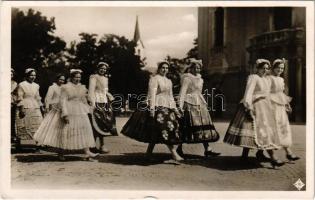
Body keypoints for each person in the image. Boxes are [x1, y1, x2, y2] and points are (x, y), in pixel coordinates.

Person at [223, 59, 284, 168]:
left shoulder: (266, 79)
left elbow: (268, 94)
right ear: (258, 68)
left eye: (267, 68)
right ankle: (268, 158)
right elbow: (249, 92)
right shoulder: (253, 78)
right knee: (253, 132)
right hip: (254, 106)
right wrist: (248, 108)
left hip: (265, 107)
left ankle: (258, 154)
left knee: (263, 132)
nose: (265, 70)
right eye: (262, 68)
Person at [121, 61, 184, 162]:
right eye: (163, 68)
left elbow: (170, 96)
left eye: (166, 68)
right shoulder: (154, 79)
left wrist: (175, 109)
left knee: (157, 131)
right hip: (157, 107)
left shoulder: (169, 81)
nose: (165, 70)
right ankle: (174, 154)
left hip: (167, 107)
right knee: (164, 129)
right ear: (159, 68)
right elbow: (152, 94)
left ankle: (148, 154)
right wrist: (152, 109)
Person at [34, 69, 98, 160]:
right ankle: (61, 153)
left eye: (79, 77)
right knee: (66, 131)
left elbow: (83, 99)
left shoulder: (82, 87)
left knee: (84, 130)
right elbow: (63, 101)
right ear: (71, 77)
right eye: (76, 77)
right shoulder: (65, 87)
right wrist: (65, 114)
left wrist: (89, 103)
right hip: (69, 109)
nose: (78, 79)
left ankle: (87, 152)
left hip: (79, 111)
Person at [177, 59, 220, 158]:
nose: (197, 69)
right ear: (191, 68)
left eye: (199, 67)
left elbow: (199, 92)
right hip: (189, 102)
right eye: (195, 67)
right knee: (187, 125)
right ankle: (179, 148)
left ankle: (208, 149)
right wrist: (180, 106)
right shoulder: (187, 78)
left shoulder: (201, 79)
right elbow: (183, 92)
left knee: (203, 125)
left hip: (199, 103)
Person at [267, 58, 300, 161]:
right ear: (274, 67)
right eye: (278, 68)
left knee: (283, 128)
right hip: (271, 106)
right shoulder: (269, 78)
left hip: (280, 107)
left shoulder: (281, 79)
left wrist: (287, 105)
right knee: (272, 129)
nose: (280, 70)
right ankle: (273, 155)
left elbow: (282, 93)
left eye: (282, 68)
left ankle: (288, 153)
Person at [33, 74, 66, 159]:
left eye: (63, 80)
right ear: (57, 79)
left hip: (63, 108)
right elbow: (48, 98)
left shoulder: (64, 88)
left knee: (61, 129)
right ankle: (49, 144)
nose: (62, 81)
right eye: (60, 79)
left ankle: (60, 149)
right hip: (54, 108)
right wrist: (47, 108)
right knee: (52, 127)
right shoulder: (52, 87)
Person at [88, 62, 117, 154]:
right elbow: (91, 90)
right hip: (96, 101)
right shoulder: (93, 77)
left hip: (104, 102)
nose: (103, 70)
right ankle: (92, 145)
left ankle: (102, 145)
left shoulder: (105, 78)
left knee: (103, 123)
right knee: (95, 123)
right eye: (101, 68)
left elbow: (105, 90)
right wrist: (92, 103)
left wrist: (109, 95)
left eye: (105, 69)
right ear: (98, 68)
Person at [15, 68, 43, 146]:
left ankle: (34, 143)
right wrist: (21, 108)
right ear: (27, 76)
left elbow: (37, 97)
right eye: (31, 75)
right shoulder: (22, 84)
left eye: (34, 75)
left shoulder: (36, 85)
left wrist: (41, 107)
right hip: (25, 105)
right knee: (24, 124)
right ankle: (24, 144)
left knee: (37, 123)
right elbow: (20, 97)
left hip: (34, 105)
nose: (33, 77)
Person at [11, 68, 18, 143]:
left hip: (11, 102)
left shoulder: (15, 83)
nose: (10, 76)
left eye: (12, 74)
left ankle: (12, 135)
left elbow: (15, 94)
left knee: (12, 119)